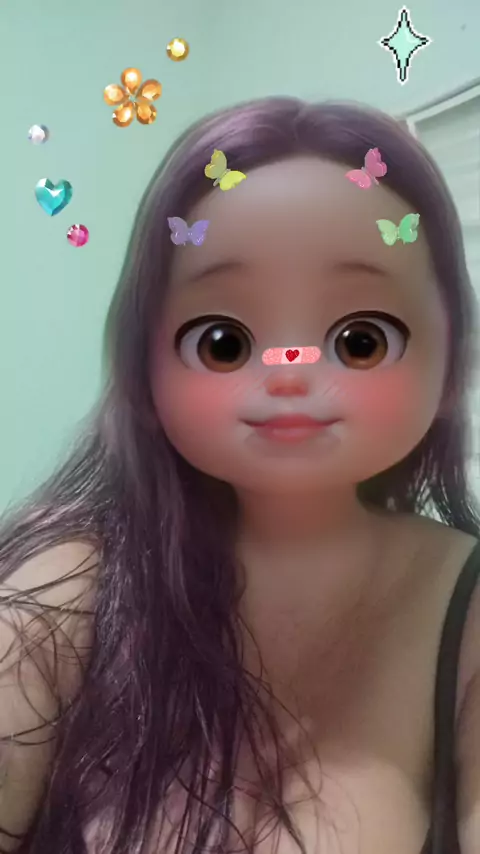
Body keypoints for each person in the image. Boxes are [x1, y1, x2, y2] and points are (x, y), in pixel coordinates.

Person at [0, 96, 479, 854]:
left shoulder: (467, 607)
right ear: (144, 369)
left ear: (452, 362)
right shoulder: (72, 586)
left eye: (361, 339)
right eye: (222, 341)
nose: (290, 371)